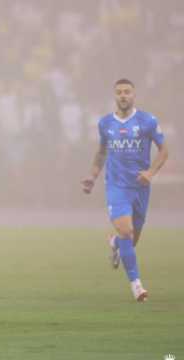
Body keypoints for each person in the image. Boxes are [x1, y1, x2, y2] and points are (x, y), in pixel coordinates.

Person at [82, 79, 169, 302]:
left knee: (130, 240)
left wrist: (150, 173)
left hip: (140, 187)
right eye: (119, 92)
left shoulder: (147, 121)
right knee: (127, 232)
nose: (123, 96)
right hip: (116, 186)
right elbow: (101, 152)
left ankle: (116, 244)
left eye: (127, 92)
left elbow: (164, 151)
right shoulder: (105, 123)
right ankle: (137, 286)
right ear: (114, 96)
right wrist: (92, 176)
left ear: (134, 95)